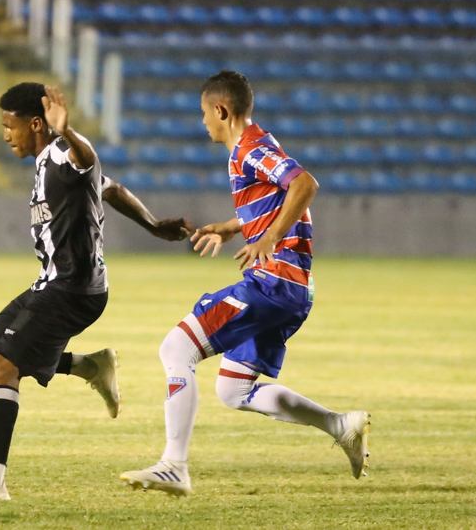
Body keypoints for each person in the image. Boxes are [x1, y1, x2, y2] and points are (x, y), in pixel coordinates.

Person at [120, 70, 371, 496]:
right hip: (293, 290)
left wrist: (269, 238)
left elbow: (304, 184)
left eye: (204, 113)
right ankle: (340, 425)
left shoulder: (251, 148)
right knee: (234, 389)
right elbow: (275, 197)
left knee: (176, 347)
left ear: (221, 110)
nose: (203, 122)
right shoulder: (254, 147)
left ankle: (173, 466)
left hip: (273, 282)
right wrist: (236, 226)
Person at [0, 82, 190, 502]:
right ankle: (89, 366)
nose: (6, 134)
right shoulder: (44, 162)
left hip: (74, 289)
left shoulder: (63, 153)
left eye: (11, 125)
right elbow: (109, 187)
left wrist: (69, 132)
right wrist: (151, 224)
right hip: (52, 281)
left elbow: (87, 160)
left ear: (36, 123)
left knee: (3, 366)